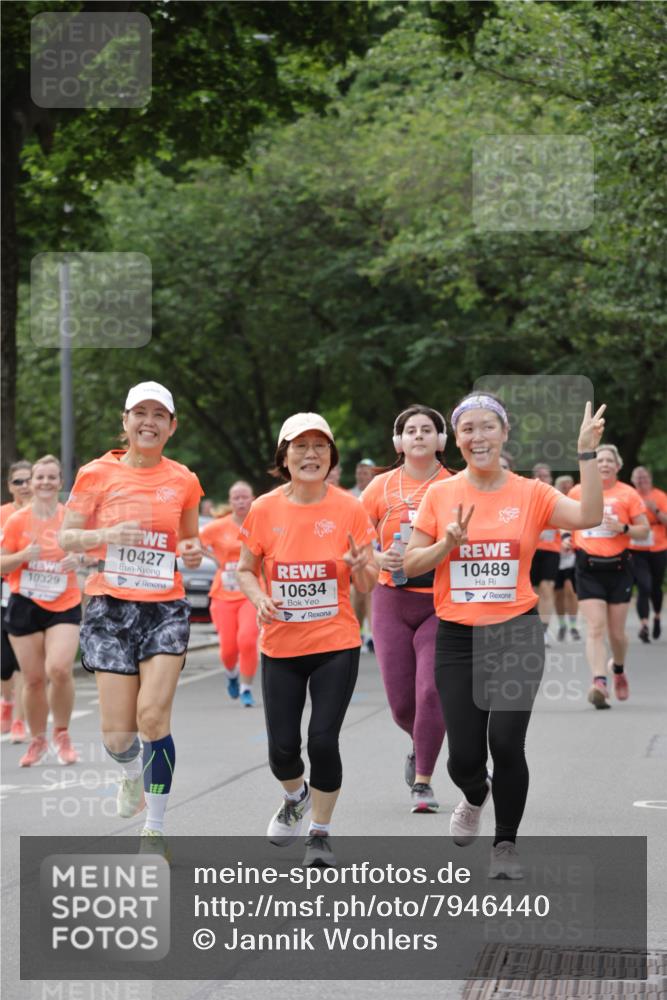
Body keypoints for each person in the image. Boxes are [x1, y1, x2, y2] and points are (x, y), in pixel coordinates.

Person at [404, 394, 605, 878]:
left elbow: (589, 517)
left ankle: (505, 846)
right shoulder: (440, 494)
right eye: (468, 429)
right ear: (458, 439)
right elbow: (410, 566)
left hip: (516, 634)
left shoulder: (531, 492)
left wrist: (585, 455)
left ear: (504, 433)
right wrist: (445, 545)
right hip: (457, 637)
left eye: (487, 427)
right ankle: (475, 795)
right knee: (463, 759)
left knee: (507, 742)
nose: (478, 437)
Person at [59, 381, 203, 850]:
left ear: (172, 426)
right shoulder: (95, 474)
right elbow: (67, 537)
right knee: (120, 735)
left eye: (159, 415)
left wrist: (193, 550)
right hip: (110, 607)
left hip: (165, 607)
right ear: (125, 421)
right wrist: (110, 532)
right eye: (140, 413)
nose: (149, 421)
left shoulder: (184, 479)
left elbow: (187, 539)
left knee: (153, 718)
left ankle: (154, 829)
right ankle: (128, 773)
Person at [237, 413, 377, 867]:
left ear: (331, 457)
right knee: (282, 750)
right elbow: (244, 569)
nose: (311, 454)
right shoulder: (263, 509)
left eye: (320, 446)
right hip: (281, 645)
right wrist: (258, 596)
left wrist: (360, 566)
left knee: (322, 739)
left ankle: (319, 832)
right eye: (300, 446)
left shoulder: (349, 509)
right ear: (284, 456)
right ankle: (294, 796)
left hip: (335, 641)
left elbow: (370, 582)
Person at [360, 405, 450, 813]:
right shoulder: (380, 487)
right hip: (391, 599)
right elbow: (355, 539)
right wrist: (378, 559)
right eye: (410, 430)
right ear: (399, 441)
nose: (418, 435)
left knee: (431, 691)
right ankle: (420, 744)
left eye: (426, 429)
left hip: (439, 601)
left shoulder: (455, 484)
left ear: (440, 440)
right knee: (401, 704)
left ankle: (423, 782)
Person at [0, 456, 82, 767]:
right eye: (40, 477)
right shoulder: (17, 520)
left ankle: (62, 734)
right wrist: (22, 555)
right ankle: (37, 740)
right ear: (31, 483)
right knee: (33, 680)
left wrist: (79, 560)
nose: (45, 482)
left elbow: (88, 551)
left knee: (59, 669)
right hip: (25, 604)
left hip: (64, 602)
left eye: (52, 477)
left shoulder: (71, 518)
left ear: (61, 483)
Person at [569, 445, 649, 708]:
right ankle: (599, 682)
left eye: (608, 460)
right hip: (588, 567)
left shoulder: (628, 493)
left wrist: (623, 527)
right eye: (598, 460)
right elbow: (566, 524)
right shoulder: (578, 492)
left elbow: (643, 531)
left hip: (619, 568)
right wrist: (567, 539)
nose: (603, 464)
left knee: (617, 634)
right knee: (595, 627)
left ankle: (618, 669)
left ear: (617, 465)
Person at [200, 481, 259, 706]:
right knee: (228, 649)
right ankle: (231, 674)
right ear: (230, 501)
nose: (241, 501)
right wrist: (215, 559)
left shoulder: (259, 524)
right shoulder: (218, 527)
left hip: (250, 593)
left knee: (247, 640)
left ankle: (246, 688)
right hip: (223, 593)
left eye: (245, 497)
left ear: (252, 498)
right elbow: (195, 541)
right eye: (236, 498)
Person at [0, 460, 32, 741]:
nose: (24, 486)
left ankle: (20, 721)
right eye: (18, 481)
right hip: (4, 595)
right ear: (10, 486)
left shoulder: (43, 515)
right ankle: (7, 702)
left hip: (32, 597)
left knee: (24, 663)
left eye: (28, 480)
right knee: (4, 665)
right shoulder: (3, 515)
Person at [629, 466, 667, 642]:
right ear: (632, 480)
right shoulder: (630, 496)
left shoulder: (659, 496)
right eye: (637, 478)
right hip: (636, 549)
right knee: (644, 586)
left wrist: (656, 511)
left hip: (658, 547)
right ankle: (644, 624)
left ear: (650, 478)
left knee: (656, 587)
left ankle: (657, 617)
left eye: (644, 477)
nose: (641, 480)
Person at [529, 464, 560, 645]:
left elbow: (568, 520)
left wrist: (566, 537)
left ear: (551, 479)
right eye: (538, 476)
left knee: (547, 588)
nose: (542, 479)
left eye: (546, 476)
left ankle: (544, 630)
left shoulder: (556, 497)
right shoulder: (528, 496)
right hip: (530, 550)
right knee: (531, 591)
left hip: (552, 550)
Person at [349, 459, 377, 651]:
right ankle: (355, 633)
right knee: (357, 593)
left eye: (366, 472)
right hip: (353, 550)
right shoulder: (350, 496)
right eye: (359, 471)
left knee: (369, 590)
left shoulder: (378, 492)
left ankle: (372, 635)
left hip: (374, 549)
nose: (362, 475)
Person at [553, 475, 581, 642]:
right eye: (563, 485)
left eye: (569, 485)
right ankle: (562, 624)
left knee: (571, 591)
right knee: (558, 594)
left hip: (571, 553)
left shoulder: (575, 504)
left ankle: (573, 626)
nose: (566, 488)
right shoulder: (552, 503)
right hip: (555, 554)